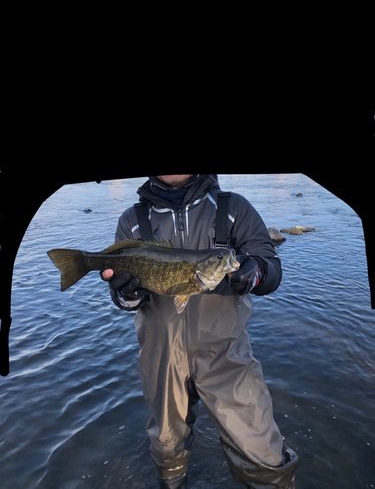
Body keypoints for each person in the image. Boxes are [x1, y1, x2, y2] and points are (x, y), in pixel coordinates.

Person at [101, 174, 299, 489]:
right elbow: (124, 295)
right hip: (160, 357)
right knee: (166, 447)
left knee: (262, 450)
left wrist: (255, 273)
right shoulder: (132, 220)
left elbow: (271, 266)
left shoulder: (233, 207)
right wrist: (125, 294)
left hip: (226, 356)